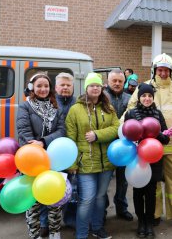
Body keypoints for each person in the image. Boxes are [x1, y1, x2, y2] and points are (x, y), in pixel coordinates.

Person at [124, 53, 172, 232]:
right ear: (155, 70)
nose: (163, 73)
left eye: (166, 70)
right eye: (160, 70)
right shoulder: (145, 88)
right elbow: (130, 112)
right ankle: (154, 215)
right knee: (152, 183)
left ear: (170, 72)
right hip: (149, 147)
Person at [66, 72, 119, 239]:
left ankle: (97, 228)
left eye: (97, 85)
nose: (95, 88)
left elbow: (117, 128)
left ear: (101, 88)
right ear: (86, 88)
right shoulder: (75, 110)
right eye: (91, 85)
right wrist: (73, 164)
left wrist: (97, 135)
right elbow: (70, 138)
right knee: (87, 199)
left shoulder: (108, 108)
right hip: (85, 163)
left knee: (100, 197)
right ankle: (81, 233)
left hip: (106, 163)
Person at [16, 72, 65, 239]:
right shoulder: (25, 106)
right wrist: (35, 147)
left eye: (46, 86)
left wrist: (44, 141)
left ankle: (54, 232)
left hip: (52, 159)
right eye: (39, 86)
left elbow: (61, 131)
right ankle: (35, 234)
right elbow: (23, 131)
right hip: (32, 160)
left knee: (54, 199)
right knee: (33, 203)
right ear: (32, 88)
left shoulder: (56, 106)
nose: (43, 89)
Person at [124, 83, 170, 238]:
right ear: (139, 97)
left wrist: (156, 134)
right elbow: (125, 135)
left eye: (150, 95)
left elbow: (166, 138)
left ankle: (149, 224)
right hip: (137, 160)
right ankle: (141, 222)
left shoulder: (158, 114)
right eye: (144, 95)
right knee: (138, 192)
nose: (147, 98)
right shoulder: (131, 113)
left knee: (151, 193)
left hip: (154, 159)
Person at [103, 69, 133, 221]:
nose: (117, 83)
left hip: (125, 146)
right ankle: (102, 210)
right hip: (105, 145)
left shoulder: (130, 98)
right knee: (104, 181)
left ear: (124, 82)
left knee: (123, 181)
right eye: (114, 81)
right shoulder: (102, 97)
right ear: (108, 81)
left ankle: (121, 207)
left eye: (120, 81)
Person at [54, 72, 77, 229]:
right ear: (56, 87)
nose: (65, 88)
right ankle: (47, 222)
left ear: (73, 87)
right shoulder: (50, 103)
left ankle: (69, 220)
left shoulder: (78, 104)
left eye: (68, 85)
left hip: (73, 152)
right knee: (52, 186)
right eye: (62, 85)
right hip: (53, 153)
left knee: (72, 188)